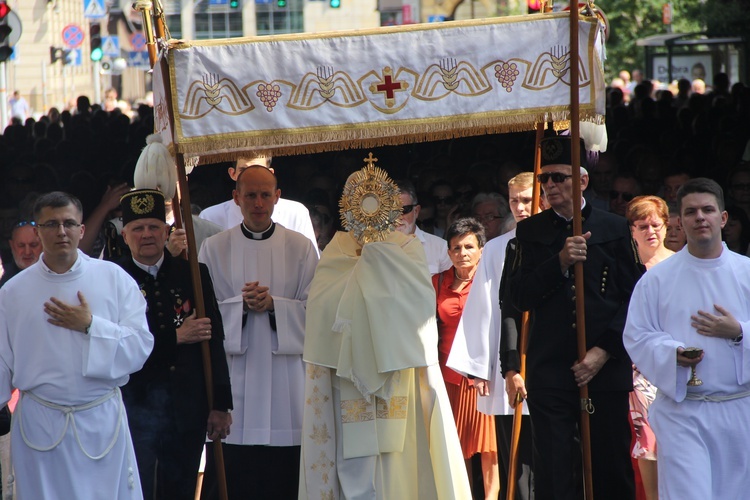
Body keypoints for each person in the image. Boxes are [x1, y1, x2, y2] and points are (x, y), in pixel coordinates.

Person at [300, 162, 471, 499]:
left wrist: (378, 258)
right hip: (344, 375)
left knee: (399, 463)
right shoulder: (336, 249)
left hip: (398, 374)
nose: (366, 214)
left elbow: (417, 306)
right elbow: (321, 308)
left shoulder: (407, 249)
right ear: (347, 208)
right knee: (353, 460)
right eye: (357, 203)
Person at [509, 136, 641, 500]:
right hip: (551, 369)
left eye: (559, 178)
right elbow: (518, 297)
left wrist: (603, 351)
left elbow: (636, 299)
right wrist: (560, 263)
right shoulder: (529, 232)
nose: (550, 186)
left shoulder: (614, 229)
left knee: (610, 467)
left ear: (581, 180)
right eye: (544, 179)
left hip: (605, 367)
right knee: (554, 472)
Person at [0, 191, 153, 499]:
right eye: (51, 224)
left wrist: (91, 326)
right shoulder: (12, 292)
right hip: (40, 426)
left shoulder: (114, 278)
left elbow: (140, 345)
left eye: (69, 223)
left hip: (100, 423)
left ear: (82, 230)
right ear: (39, 231)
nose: (61, 231)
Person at [624, 178, 750, 499]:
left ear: (722, 218)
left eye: (708, 210)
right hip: (683, 413)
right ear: (679, 221)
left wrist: (738, 332)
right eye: (691, 211)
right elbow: (637, 335)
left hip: (738, 410)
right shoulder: (657, 279)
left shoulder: (746, 272)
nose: (700, 217)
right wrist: (672, 353)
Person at [199, 166, 318, 499]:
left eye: (266, 194)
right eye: (250, 194)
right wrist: (240, 305)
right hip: (234, 385)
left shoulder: (302, 248)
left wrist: (274, 306)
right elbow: (203, 315)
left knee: (284, 480)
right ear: (236, 198)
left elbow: (317, 314)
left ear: (277, 197)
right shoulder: (213, 248)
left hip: (286, 387)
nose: (258, 202)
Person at [117, 189, 233, 499]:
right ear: (125, 235)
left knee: (180, 491)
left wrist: (220, 405)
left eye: (154, 227)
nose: (146, 235)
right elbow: (117, 346)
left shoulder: (193, 274)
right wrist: (176, 337)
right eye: (138, 229)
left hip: (187, 407)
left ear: (167, 231)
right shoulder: (115, 278)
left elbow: (214, 339)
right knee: (136, 488)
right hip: (134, 406)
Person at [448, 172, 536, 500]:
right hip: (509, 364)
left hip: (548, 359)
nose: (521, 207)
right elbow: (483, 306)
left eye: (526, 199)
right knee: (516, 459)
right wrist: (479, 366)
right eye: (515, 201)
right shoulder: (498, 248)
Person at [434, 218, 499, 499]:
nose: (463, 253)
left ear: (481, 249)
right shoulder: (436, 283)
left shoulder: (492, 281)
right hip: (449, 378)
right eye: (456, 247)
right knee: (455, 450)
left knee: (490, 451)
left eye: (469, 246)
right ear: (448, 252)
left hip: (485, 378)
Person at [625, 195, 675, 500]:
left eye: (656, 224)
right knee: (646, 438)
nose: (650, 231)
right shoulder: (627, 267)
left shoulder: (681, 263)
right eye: (642, 225)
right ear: (631, 230)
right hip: (639, 368)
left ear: (667, 227)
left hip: (677, 363)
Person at [199, 153, 318, 252]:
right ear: (232, 173)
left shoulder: (296, 213)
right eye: (244, 170)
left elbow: (311, 270)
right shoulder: (209, 217)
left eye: (258, 169)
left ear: (270, 173)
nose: (252, 176)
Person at [395, 179, 452, 275]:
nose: (398, 217)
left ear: (416, 211)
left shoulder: (440, 247)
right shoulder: (375, 247)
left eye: (404, 210)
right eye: (392, 211)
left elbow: (448, 287)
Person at [0, 221, 42, 288]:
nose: (27, 252)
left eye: (33, 245)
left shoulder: (56, 274)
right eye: (21, 245)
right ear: (12, 245)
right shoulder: (2, 276)